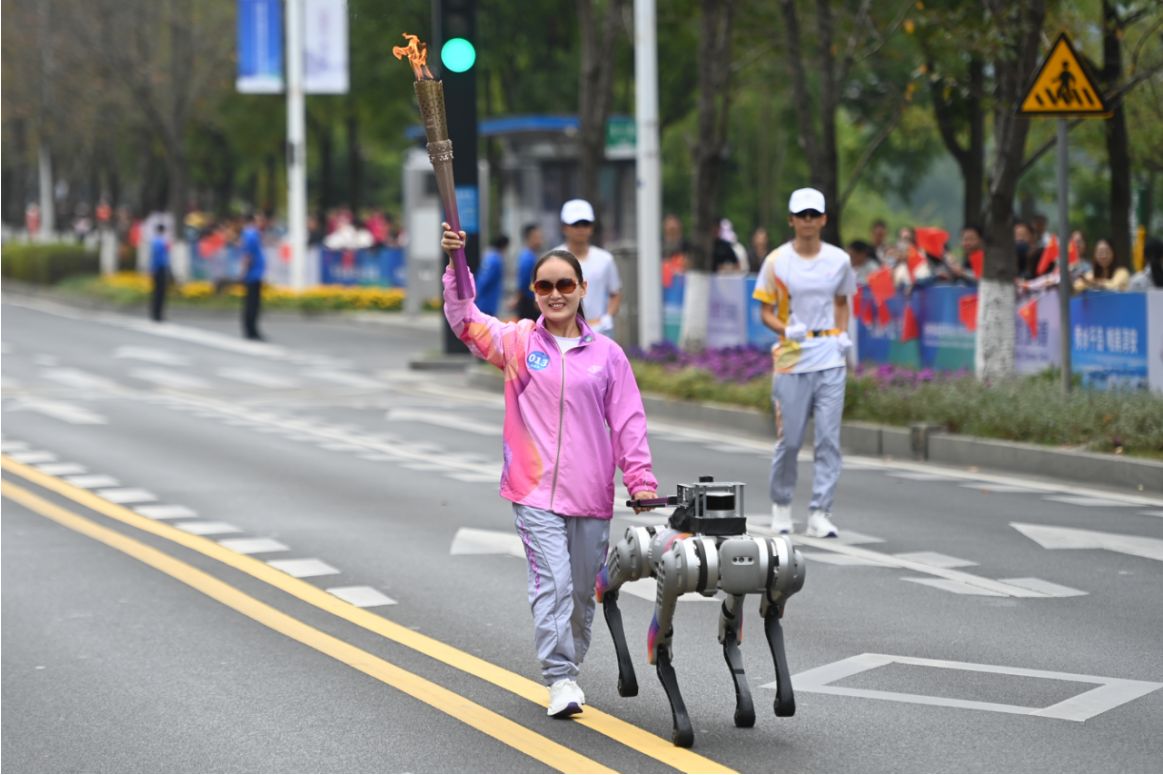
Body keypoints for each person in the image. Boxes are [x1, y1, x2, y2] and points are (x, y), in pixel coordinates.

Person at [439, 221, 659, 718]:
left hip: (590, 494)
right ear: (534, 293)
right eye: (545, 286)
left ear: (582, 290)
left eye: (565, 285)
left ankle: (570, 665)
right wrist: (456, 266)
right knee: (554, 584)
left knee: (581, 593)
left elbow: (628, 422)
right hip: (533, 491)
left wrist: (640, 481)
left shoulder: (607, 356)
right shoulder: (517, 344)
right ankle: (559, 677)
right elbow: (464, 319)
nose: (555, 294)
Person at [753, 188, 855, 538]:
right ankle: (782, 507)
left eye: (815, 215)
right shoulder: (776, 262)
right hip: (792, 356)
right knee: (791, 441)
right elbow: (765, 310)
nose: (808, 221)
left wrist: (841, 334)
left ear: (824, 219)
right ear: (791, 220)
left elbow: (842, 301)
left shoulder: (839, 260)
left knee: (829, 439)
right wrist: (786, 329)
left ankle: (820, 512)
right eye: (802, 215)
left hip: (829, 356)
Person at [554, 200, 621, 336]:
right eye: (575, 224)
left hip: (597, 329)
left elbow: (615, 292)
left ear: (592, 227)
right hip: (562, 330)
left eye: (585, 223)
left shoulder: (605, 259)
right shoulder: (553, 260)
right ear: (564, 228)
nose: (581, 228)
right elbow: (539, 296)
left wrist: (608, 316)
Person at [239, 212, 266, 340]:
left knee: (252, 303)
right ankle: (251, 330)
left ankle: (250, 329)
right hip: (253, 274)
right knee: (252, 304)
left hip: (254, 273)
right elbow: (248, 255)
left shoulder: (250, 233)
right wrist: (243, 272)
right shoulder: (251, 234)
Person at [511, 224, 543, 320]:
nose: (540, 239)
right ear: (528, 238)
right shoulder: (527, 257)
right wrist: (518, 297)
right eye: (537, 237)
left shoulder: (532, 255)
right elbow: (523, 281)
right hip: (529, 302)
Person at [476, 234, 508, 316]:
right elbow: (486, 279)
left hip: (483, 299)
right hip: (488, 300)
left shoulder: (489, 256)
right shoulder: (496, 260)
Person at [149, 224, 170, 322]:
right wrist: (153, 268)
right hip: (159, 269)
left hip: (160, 269)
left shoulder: (158, 241)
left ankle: (157, 314)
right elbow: (157, 258)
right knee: (159, 293)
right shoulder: (158, 242)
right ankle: (156, 314)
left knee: (160, 293)